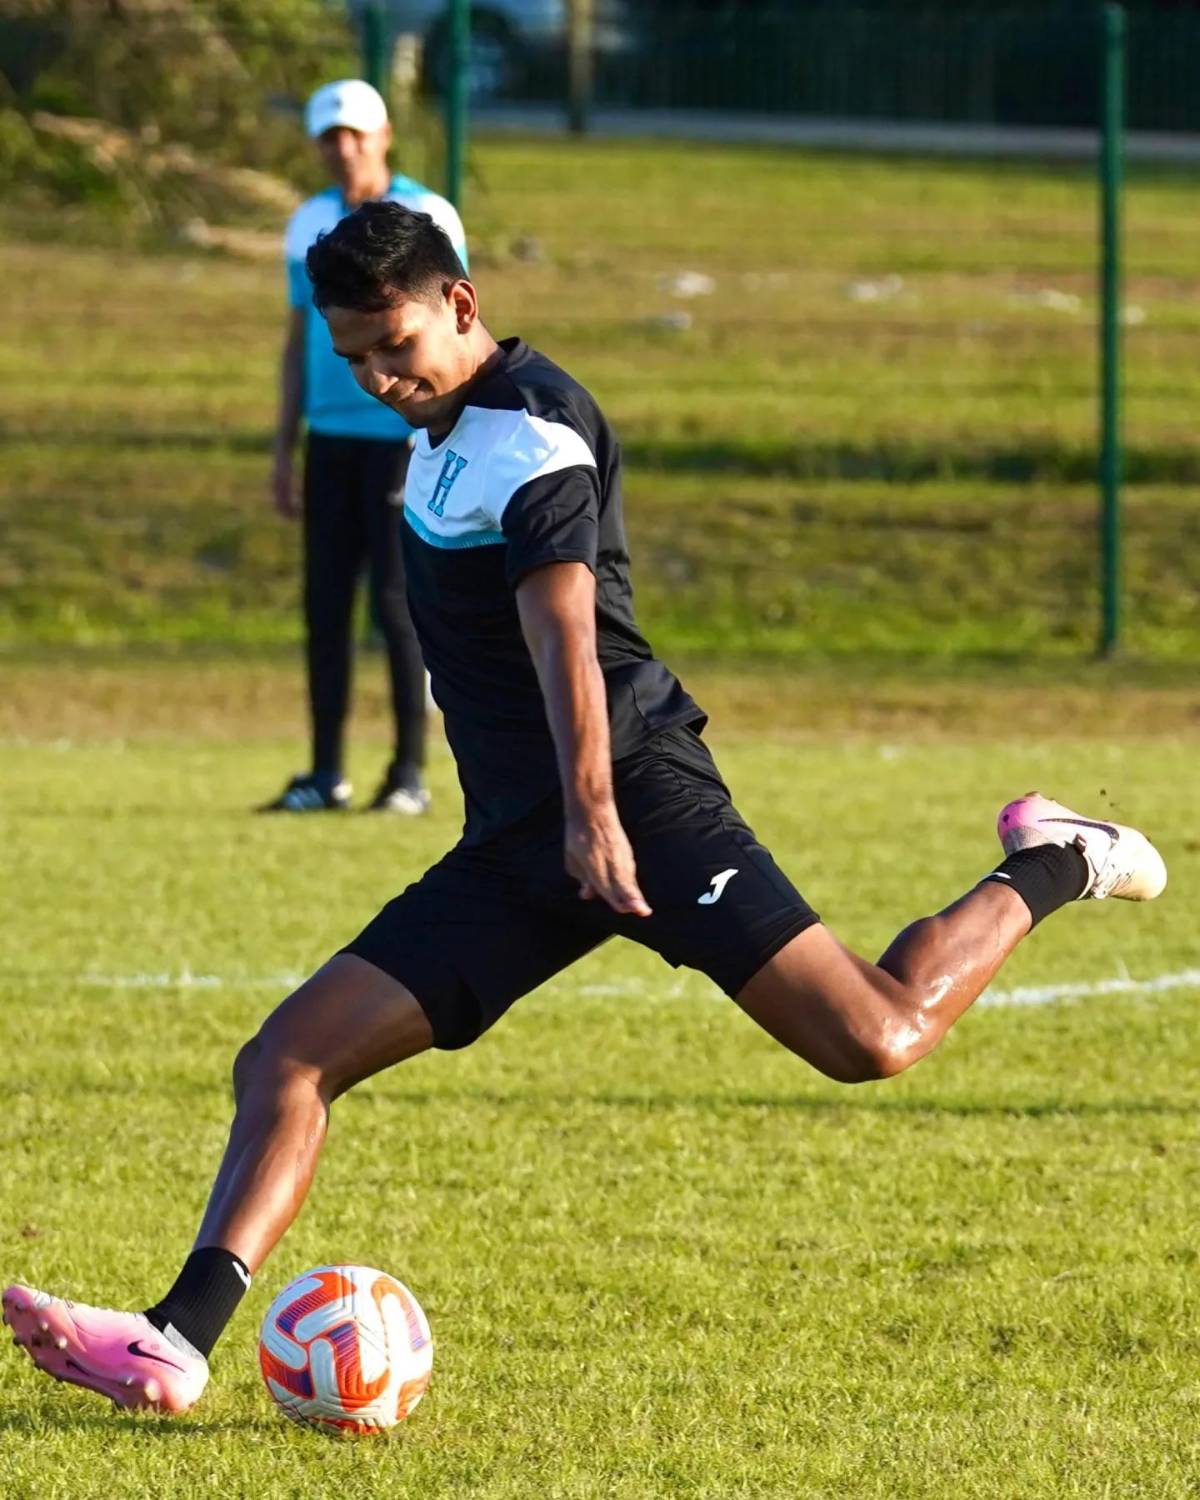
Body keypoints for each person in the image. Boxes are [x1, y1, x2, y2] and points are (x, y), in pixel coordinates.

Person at [4, 204, 1167, 1415]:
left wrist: (596, 813)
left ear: (461, 305)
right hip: (520, 841)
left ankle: (1056, 859)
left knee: (875, 1038)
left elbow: (564, 630)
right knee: (288, 1055)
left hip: (638, 806)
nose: (379, 378)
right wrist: (553, 823)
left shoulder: (531, 436)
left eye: (394, 345)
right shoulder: (446, 428)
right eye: (353, 360)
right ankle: (177, 1340)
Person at [262, 80, 467, 814]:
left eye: (354, 134)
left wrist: (441, 427)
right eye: (329, 137)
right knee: (325, 604)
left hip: (400, 438)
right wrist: (283, 448)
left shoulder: (426, 216)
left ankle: (408, 772)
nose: (342, 149)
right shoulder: (309, 222)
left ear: (382, 136)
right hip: (331, 441)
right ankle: (324, 773)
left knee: (397, 602)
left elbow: (455, 329)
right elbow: (296, 341)